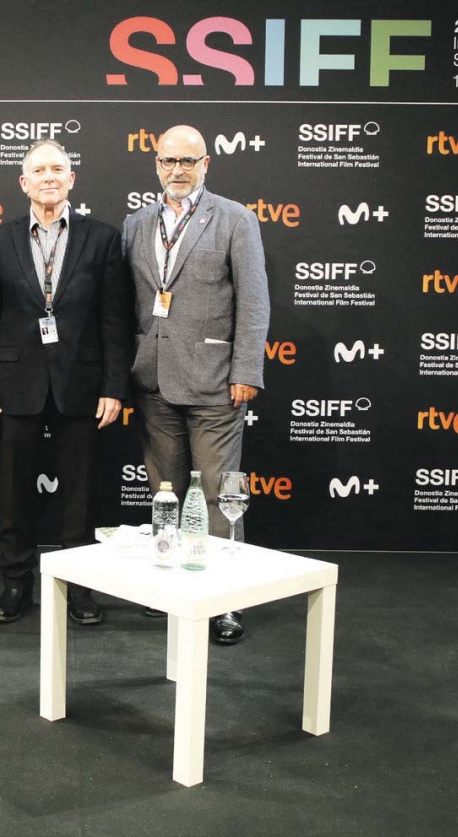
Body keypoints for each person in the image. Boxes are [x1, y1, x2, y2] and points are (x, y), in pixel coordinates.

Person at [0, 139, 132, 625]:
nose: (49, 178)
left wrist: (114, 387)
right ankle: (16, 584)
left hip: (81, 385)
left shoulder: (103, 239)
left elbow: (115, 321)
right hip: (14, 385)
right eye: (39, 171)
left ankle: (79, 587)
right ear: (24, 182)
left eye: (58, 169)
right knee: (14, 494)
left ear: (71, 179)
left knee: (80, 497)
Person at [122, 125, 270, 645]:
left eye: (188, 161)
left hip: (215, 382)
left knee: (217, 494)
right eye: (169, 161)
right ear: (156, 164)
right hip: (153, 379)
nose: (178, 170)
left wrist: (247, 369)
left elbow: (253, 300)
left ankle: (224, 600)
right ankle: (171, 587)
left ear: (206, 163)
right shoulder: (137, 223)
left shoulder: (235, 218)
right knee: (164, 492)